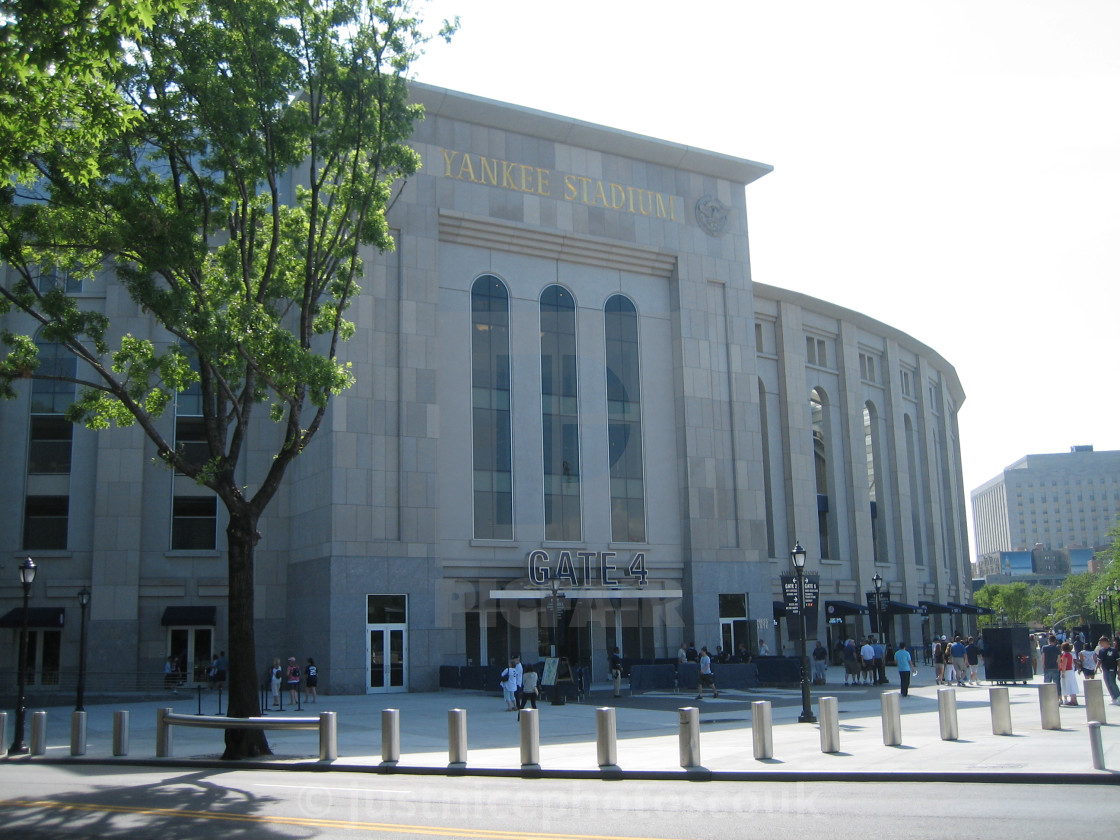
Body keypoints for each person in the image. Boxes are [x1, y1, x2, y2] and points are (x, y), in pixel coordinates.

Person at [1095, 636, 1120, 705]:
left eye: (1102, 642)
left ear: (1106, 642)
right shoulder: (1101, 651)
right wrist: (1096, 668)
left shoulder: (1113, 650)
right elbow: (1099, 660)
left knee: (1112, 683)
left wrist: (1119, 669)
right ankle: (1113, 698)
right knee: (1107, 683)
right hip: (1105, 669)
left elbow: (1118, 661)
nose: (1101, 644)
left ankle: (1118, 696)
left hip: (1112, 668)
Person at [1040, 634, 1061, 700]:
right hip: (1055, 667)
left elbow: (1043, 658)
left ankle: (1047, 697)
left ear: (1049, 640)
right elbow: (1059, 659)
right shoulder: (1057, 648)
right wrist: (1059, 667)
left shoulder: (1044, 648)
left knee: (1047, 684)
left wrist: (1043, 666)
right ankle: (1059, 698)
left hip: (1047, 667)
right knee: (1057, 684)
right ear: (1055, 641)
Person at [1058, 641, 1078, 706]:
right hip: (1070, 671)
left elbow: (1064, 664)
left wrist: (1063, 673)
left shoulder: (1065, 655)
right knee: (1072, 684)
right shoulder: (1070, 654)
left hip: (1067, 671)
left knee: (1068, 685)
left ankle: (1073, 700)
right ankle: (1074, 699)